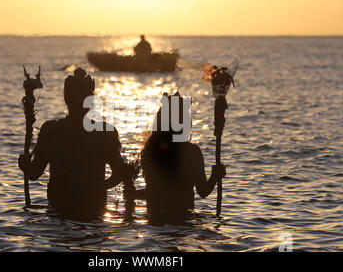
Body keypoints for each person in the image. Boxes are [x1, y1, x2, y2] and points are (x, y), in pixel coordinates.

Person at [18, 68, 137, 221]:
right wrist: (97, 187)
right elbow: (120, 173)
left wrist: (25, 166)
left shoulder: (52, 130)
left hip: (61, 215)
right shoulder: (104, 133)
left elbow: (33, 173)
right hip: (91, 213)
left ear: (65, 98)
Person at [132, 92, 226, 224]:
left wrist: (133, 193)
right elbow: (203, 191)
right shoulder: (192, 152)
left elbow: (153, 192)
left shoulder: (152, 151)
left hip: (156, 222)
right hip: (184, 219)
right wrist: (215, 176)